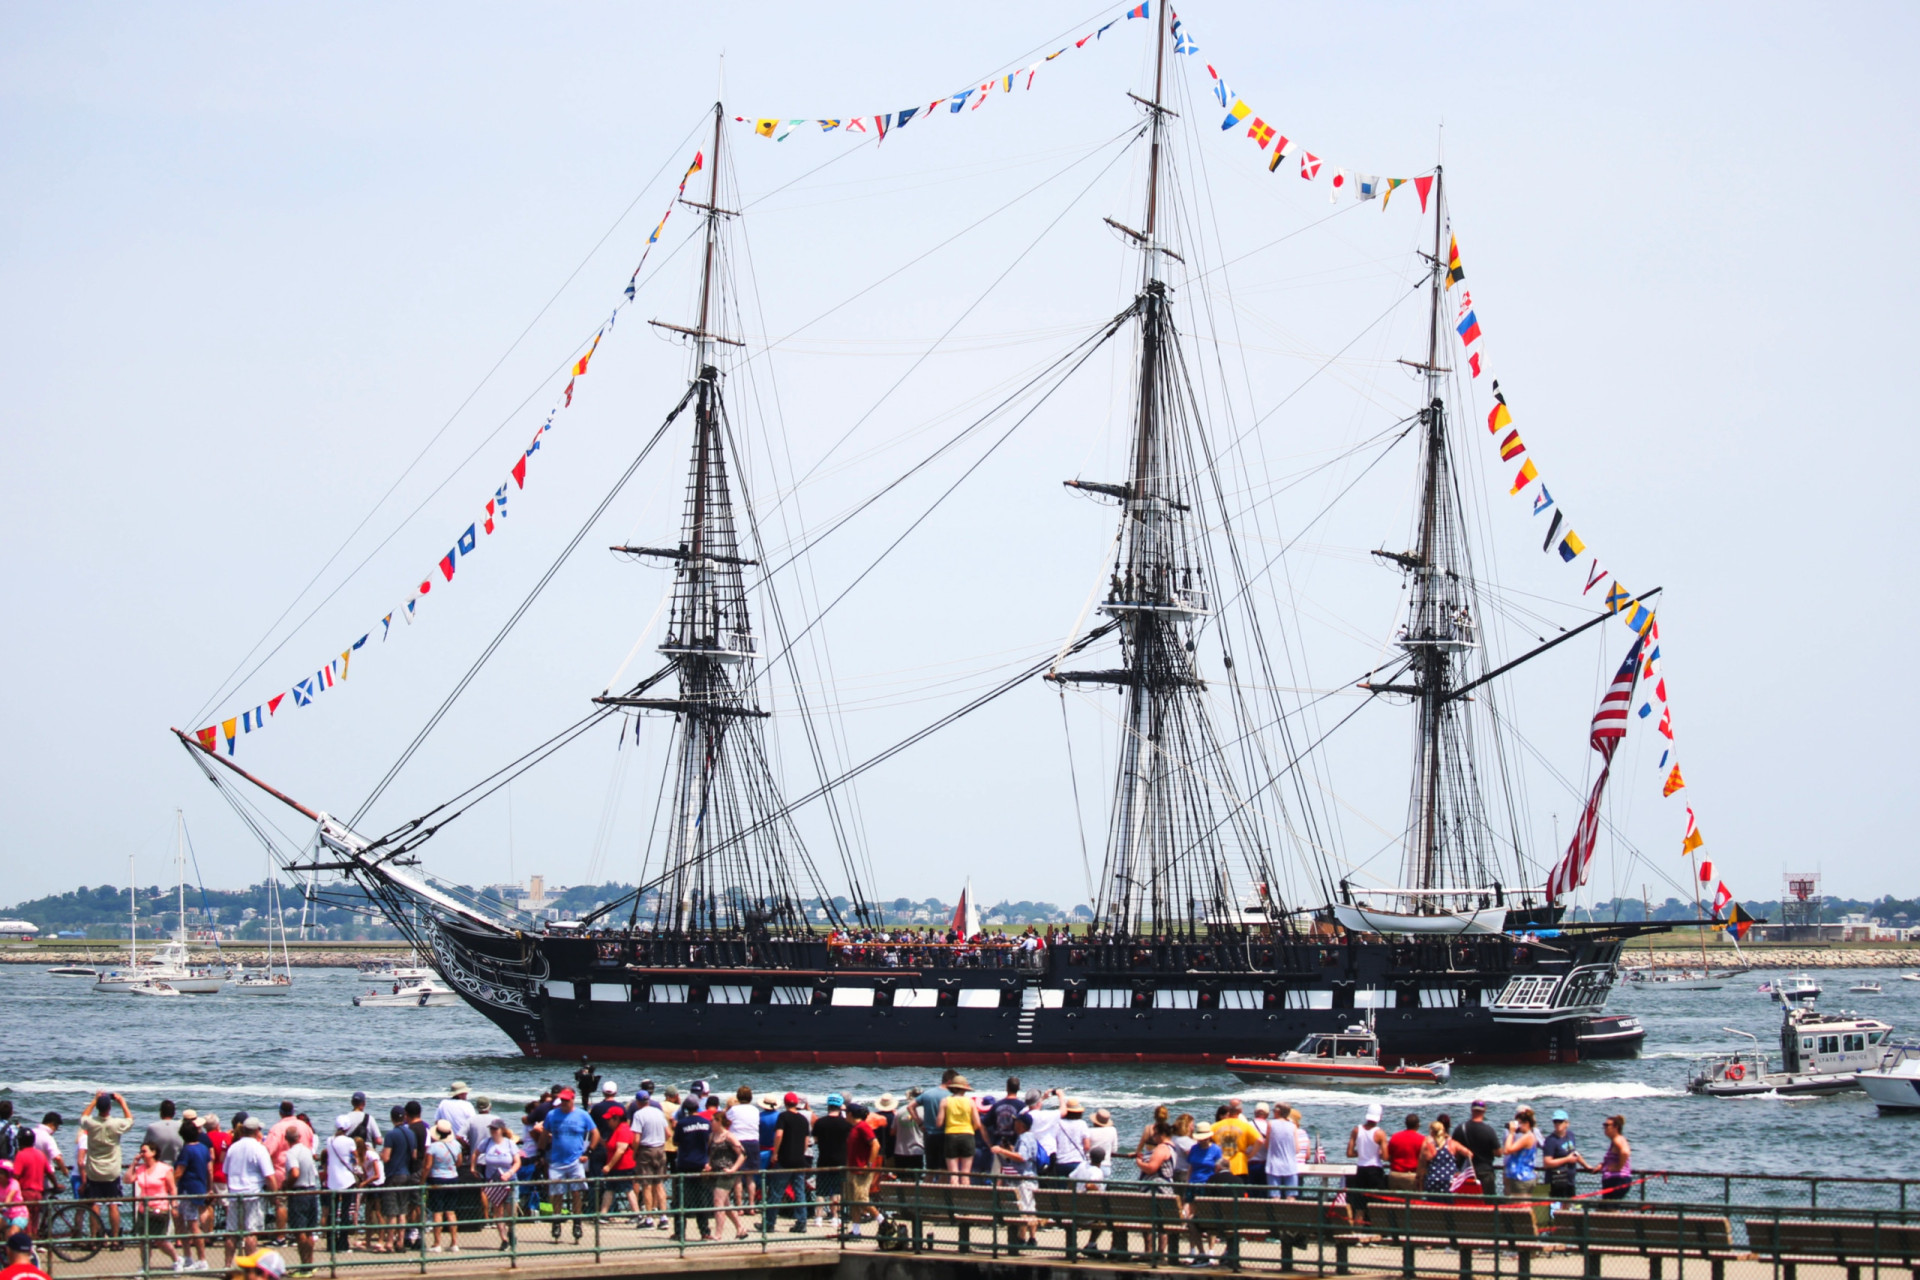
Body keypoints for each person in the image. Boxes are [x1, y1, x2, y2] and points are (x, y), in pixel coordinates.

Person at [540, 1089, 596, 1243]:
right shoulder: (552, 1115)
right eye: (562, 1101)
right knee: (557, 1194)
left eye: (566, 1101)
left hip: (575, 1161)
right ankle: (556, 1222)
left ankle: (577, 1222)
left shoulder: (582, 1115)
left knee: (576, 1192)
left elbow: (595, 1133)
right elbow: (544, 1134)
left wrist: (588, 1152)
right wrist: (541, 1153)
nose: (564, 1103)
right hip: (557, 1161)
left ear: (572, 1100)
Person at [79, 1091, 133, 1243]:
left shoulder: (91, 1123)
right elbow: (130, 1120)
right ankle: (115, 1239)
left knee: (95, 1203)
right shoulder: (115, 1123)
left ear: (98, 1107)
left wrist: (94, 1100)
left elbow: (83, 1118)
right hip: (111, 1170)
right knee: (113, 1204)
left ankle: (94, 1237)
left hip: (94, 1169)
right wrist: (122, 1101)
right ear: (109, 1108)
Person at [989, 1113, 1039, 1255]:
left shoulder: (1024, 1138)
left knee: (1025, 1208)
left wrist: (1002, 1150)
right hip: (1030, 1178)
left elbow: (1022, 1157)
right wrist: (1010, 1149)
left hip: (1024, 1179)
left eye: (1016, 1122)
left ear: (1021, 1124)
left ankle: (1028, 1238)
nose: (1014, 1124)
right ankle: (1028, 1238)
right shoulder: (1030, 1137)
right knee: (1029, 1207)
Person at [125, 1144, 178, 1271]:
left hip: (160, 1208)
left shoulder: (165, 1169)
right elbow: (127, 1180)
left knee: (160, 1240)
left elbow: (172, 1188)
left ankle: (176, 1259)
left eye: (144, 1151)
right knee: (144, 1240)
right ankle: (145, 1265)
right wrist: (133, 1164)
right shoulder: (140, 1169)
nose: (142, 1154)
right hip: (144, 1209)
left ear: (153, 1152)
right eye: (141, 1151)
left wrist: (174, 1205)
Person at [764, 1093, 811, 1234]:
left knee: (776, 1192)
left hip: (784, 1160)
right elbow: (806, 1141)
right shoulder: (803, 1119)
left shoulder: (783, 1116)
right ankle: (801, 1222)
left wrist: (775, 1153)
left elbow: (779, 1135)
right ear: (796, 1103)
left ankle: (769, 1223)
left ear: (785, 1103)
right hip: (799, 1160)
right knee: (799, 1192)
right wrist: (800, 1154)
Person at [670, 1097, 714, 1242]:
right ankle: (705, 1231)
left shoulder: (682, 1124)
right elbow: (709, 1141)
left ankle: (680, 1232)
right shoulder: (706, 1123)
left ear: (686, 1108)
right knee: (702, 1200)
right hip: (702, 1164)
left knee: (680, 1200)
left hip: (684, 1164)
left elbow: (676, 1141)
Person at [474, 1119, 520, 1251]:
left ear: (501, 1130)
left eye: (495, 1129)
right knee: (497, 1210)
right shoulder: (487, 1142)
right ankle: (504, 1239)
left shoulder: (509, 1144)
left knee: (512, 1209)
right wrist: (473, 1167)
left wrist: (510, 1173)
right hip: (493, 1179)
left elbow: (517, 1162)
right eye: (491, 1129)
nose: (493, 1131)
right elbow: (476, 1153)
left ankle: (511, 1230)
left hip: (509, 1179)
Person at [172, 1119, 211, 1270]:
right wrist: (209, 1187)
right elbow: (209, 1170)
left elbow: (179, 1172)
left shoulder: (187, 1150)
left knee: (193, 1225)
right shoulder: (203, 1148)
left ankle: (201, 1259)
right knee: (184, 1222)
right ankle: (188, 1257)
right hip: (200, 1188)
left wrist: (169, 1186)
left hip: (188, 1190)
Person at [706, 1111, 749, 1242]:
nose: (710, 1123)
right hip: (715, 1172)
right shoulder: (712, 1136)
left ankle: (718, 1234)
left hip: (726, 1173)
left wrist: (733, 1169)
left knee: (718, 1202)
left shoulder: (729, 1136)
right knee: (725, 1204)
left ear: (719, 1121)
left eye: (712, 1120)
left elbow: (743, 1154)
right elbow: (710, 1153)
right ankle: (740, 1228)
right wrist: (708, 1165)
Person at [280, 1126, 319, 1271]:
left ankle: (304, 1266)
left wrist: (286, 1185)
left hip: (299, 1192)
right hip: (312, 1190)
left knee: (300, 1231)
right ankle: (310, 1263)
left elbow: (295, 1173)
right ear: (299, 1137)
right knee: (309, 1231)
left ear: (286, 1139)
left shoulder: (291, 1153)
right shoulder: (307, 1150)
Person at [810, 1096, 853, 1223]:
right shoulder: (846, 1124)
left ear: (828, 1106)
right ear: (840, 1107)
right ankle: (834, 1217)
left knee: (821, 1190)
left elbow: (816, 1140)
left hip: (824, 1159)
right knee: (836, 1189)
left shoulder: (820, 1122)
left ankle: (818, 1217)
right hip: (840, 1160)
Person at [938, 1077, 987, 1186]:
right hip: (967, 1135)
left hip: (950, 1135)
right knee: (966, 1174)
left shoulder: (945, 1101)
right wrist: (969, 1129)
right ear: (964, 1089)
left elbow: (939, 1123)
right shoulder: (970, 1102)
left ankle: (953, 1198)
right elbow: (978, 1124)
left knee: (953, 1174)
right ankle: (966, 1200)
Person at [422, 1120, 462, 1253]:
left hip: (436, 1179)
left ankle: (437, 1243)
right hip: (453, 1178)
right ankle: (454, 1242)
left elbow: (427, 1166)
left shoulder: (432, 1147)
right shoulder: (456, 1145)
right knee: (451, 1212)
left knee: (437, 1212)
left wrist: (422, 1181)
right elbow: (459, 1162)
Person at [632, 1094, 668, 1228]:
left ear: (638, 1102)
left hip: (646, 1150)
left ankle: (649, 1219)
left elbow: (636, 1139)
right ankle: (664, 1217)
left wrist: (635, 1153)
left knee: (646, 1185)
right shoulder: (658, 1112)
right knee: (659, 1184)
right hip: (660, 1148)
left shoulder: (638, 1114)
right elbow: (668, 1133)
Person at [1345, 1104, 1387, 1222]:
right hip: (1375, 1170)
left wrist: (1362, 1152)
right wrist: (1376, 1153)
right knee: (1379, 1204)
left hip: (1361, 1169)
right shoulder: (1380, 1133)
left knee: (1360, 1206)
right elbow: (1385, 1156)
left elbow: (1349, 1153)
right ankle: (1379, 1231)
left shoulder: (1356, 1130)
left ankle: (1358, 1232)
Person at [1541, 1110, 1593, 1202]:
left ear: (1567, 1123)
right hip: (1556, 1181)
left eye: (1560, 1121)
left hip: (1569, 1181)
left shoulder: (1570, 1135)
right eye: (1555, 1121)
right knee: (1557, 1210)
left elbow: (1575, 1153)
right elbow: (1547, 1163)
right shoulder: (1550, 1141)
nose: (1557, 1124)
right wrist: (1567, 1159)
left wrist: (1586, 1166)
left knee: (1568, 1208)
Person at [1453, 1101, 1501, 1197]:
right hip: (1485, 1172)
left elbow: (1453, 1150)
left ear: (1471, 1110)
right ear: (1484, 1111)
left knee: (1466, 1203)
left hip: (1466, 1173)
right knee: (1488, 1203)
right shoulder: (1489, 1130)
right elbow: (1498, 1153)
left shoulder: (1460, 1129)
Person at [1211, 1100, 1261, 1187]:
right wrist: (1250, 1155)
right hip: (1240, 1166)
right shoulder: (1245, 1126)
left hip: (1220, 1166)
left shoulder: (1215, 1126)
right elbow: (1260, 1140)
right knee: (1239, 1196)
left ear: (1229, 1110)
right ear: (1240, 1111)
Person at [1419, 1117, 1470, 1195]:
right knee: (1449, 1205)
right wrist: (1461, 1172)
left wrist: (1420, 1183)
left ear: (1431, 1132)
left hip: (1432, 1182)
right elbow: (1469, 1154)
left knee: (1432, 1205)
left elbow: (1421, 1168)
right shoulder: (1451, 1143)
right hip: (1449, 1182)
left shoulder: (1428, 1146)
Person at [1501, 1108, 1541, 1200]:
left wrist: (1511, 1133)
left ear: (1527, 1123)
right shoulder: (1529, 1136)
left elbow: (1507, 1150)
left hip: (1521, 1178)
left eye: (1519, 1124)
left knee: (1520, 1209)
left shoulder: (1527, 1137)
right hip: (1524, 1176)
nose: (1518, 1127)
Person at [1263, 1103, 1300, 1198]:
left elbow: (1267, 1145)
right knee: (1291, 1196)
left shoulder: (1271, 1124)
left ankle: (1274, 1212)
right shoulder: (1293, 1126)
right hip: (1290, 1165)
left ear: (1278, 1112)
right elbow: (1297, 1149)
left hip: (1274, 1165)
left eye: (1274, 1110)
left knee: (1275, 1197)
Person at [1386, 1113, 1425, 1192]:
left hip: (1395, 1175)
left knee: (1395, 1202)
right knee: (1413, 1202)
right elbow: (1424, 1159)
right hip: (1412, 1176)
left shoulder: (1395, 1137)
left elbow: (1388, 1156)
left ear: (1405, 1124)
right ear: (1418, 1125)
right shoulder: (1422, 1139)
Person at [433, 1085, 476, 1153]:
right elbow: (474, 1124)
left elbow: (437, 1122)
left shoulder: (443, 1103)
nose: (466, 1094)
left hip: (446, 1142)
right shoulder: (467, 1105)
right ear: (460, 1094)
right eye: (465, 1093)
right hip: (463, 1143)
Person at [1598, 1115, 1633, 1200]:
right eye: (1604, 1125)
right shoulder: (1618, 1139)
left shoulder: (1617, 1139)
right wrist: (1603, 1165)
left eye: (1607, 1125)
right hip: (1617, 1180)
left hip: (1616, 1180)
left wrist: (1618, 1167)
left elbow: (1625, 1152)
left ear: (1616, 1127)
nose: (1604, 1128)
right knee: (1605, 1210)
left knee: (1609, 1210)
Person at [891, 1091, 924, 1172]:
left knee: (903, 1179)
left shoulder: (900, 1111)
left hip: (900, 1150)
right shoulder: (924, 1110)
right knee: (916, 1178)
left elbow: (892, 1132)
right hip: (917, 1149)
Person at [144, 1102, 185, 1166]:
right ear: (174, 1113)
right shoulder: (182, 1126)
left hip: (157, 1165)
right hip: (177, 1165)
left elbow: (145, 1148)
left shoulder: (152, 1127)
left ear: (161, 1112)